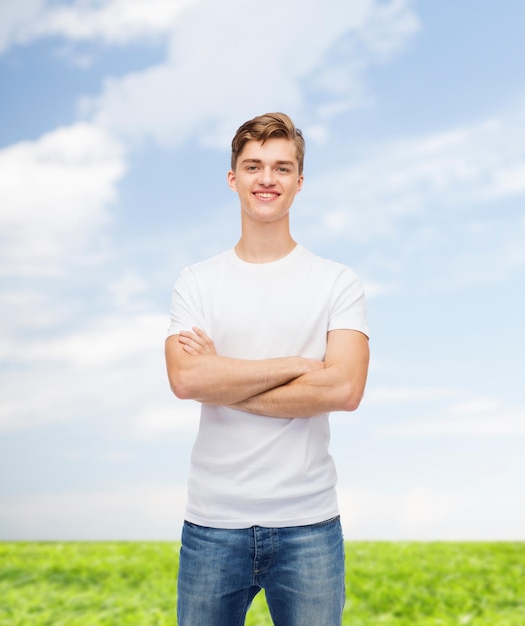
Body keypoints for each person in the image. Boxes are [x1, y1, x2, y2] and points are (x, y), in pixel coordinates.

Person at [165, 112, 369, 625]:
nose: (267, 179)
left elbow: (344, 387)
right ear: (233, 178)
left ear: (300, 181)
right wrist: (299, 368)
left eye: (281, 168)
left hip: (309, 524)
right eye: (253, 166)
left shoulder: (337, 282)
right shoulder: (197, 282)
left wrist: (223, 378)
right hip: (213, 522)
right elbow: (187, 379)